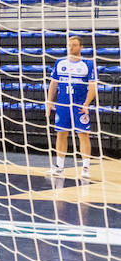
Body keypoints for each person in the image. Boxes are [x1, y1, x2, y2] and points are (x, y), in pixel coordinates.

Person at [46, 35, 97, 179]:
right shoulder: (60, 62)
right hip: (62, 105)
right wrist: (49, 102)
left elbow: (92, 87)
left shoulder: (88, 64)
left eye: (74, 45)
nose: (71, 47)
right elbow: (53, 84)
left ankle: (85, 168)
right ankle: (59, 167)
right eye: (69, 44)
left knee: (83, 135)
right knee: (61, 134)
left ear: (81, 47)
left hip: (79, 106)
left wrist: (87, 104)